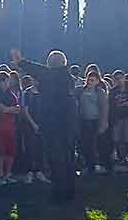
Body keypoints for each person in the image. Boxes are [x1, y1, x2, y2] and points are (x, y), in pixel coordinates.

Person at [11, 49, 79, 201]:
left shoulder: (49, 76)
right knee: (68, 156)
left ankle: (59, 192)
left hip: (53, 122)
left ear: (49, 63)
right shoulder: (69, 77)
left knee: (56, 158)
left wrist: (21, 61)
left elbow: (36, 69)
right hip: (68, 123)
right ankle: (70, 190)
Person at [76, 67, 109, 175]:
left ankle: (94, 164)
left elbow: (104, 108)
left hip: (94, 120)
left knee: (93, 144)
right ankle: (85, 164)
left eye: (93, 80)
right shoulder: (80, 90)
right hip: (82, 120)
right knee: (83, 143)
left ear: (97, 81)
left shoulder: (100, 92)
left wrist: (103, 123)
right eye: (89, 79)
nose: (90, 82)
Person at [0, 72, 20, 184]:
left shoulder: (11, 95)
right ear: (0, 82)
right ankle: (1, 174)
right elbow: (1, 109)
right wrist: (9, 109)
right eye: (6, 80)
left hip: (11, 126)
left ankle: (8, 173)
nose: (8, 83)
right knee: (0, 151)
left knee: (10, 150)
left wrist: (8, 109)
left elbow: (17, 109)